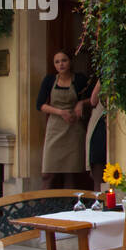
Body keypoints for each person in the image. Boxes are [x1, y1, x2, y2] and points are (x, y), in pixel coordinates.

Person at [37, 50, 91, 189]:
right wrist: (60, 112)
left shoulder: (79, 79)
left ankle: (69, 206)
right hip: (55, 127)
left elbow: (94, 98)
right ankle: (44, 207)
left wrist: (81, 103)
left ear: (70, 62)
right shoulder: (49, 80)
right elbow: (40, 105)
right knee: (47, 173)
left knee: (70, 173)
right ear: (54, 65)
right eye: (57, 61)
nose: (61, 64)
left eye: (64, 60)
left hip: (73, 128)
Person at [84, 78, 107, 190]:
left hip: (103, 124)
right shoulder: (104, 75)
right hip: (100, 125)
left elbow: (93, 100)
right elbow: (94, 100)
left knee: (99, 175)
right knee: (99, 170)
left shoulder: (105, 74)